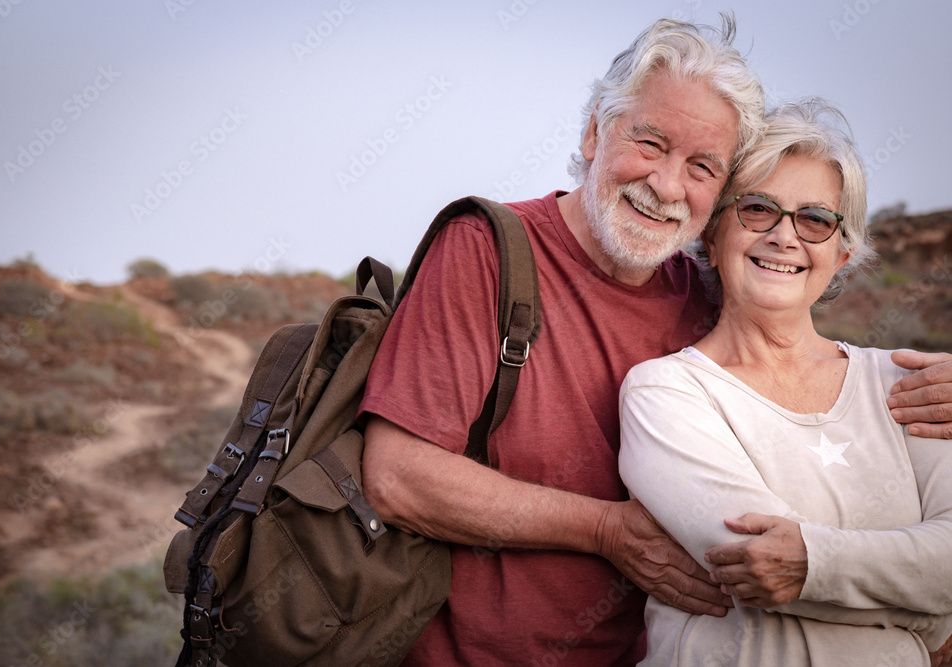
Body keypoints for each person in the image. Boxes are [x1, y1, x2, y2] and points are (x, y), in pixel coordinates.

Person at [359, 16, 952, 666]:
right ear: (592, 132)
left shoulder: (704, 294)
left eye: (702, 166)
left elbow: (798, 358)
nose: (667, 185)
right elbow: (398, 475)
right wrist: (605, 528)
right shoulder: (489, 251)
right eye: (650, 142)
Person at [618, 99, 952, 666]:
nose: (784, 236)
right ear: (711, 235)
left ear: (842, 252)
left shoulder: (911, 379)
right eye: (757, 210)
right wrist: (932, 608)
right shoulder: (665, 393)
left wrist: (814, 563)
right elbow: (754, 563)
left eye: (816, 219)